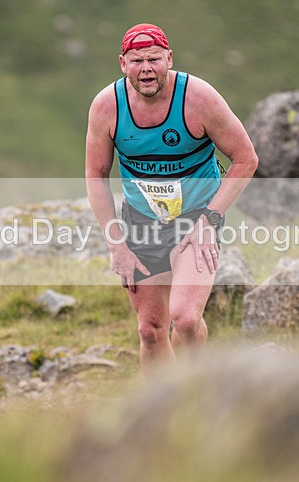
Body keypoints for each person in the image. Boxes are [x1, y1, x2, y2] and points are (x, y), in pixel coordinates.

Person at [85, 23, 258, 375]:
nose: (146, 68)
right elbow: (96, 176)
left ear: (169, 59)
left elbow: (246, 158)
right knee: (150, 330)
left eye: (153, 59)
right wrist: (117, 244)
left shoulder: (199, 98)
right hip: (140, 224)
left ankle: (189, 391)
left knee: (187, 319)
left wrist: (210, 220)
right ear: (122, 63)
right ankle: (160, 413)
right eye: (136, 61)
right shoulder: (107, 107)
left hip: (195, 219)